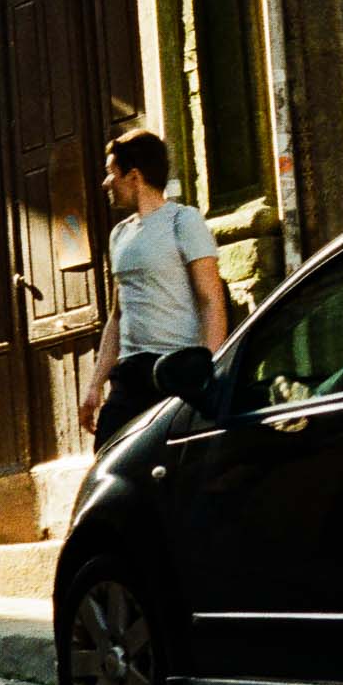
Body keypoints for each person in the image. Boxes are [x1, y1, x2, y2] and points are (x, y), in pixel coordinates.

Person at [81, 127, 229, 448]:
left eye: (111, 173)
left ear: (134, 176)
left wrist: (210, 372)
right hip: (131, 376)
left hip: (177, 370)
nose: (106, 182)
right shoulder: (119, 234)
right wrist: (94, 386)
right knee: (108, 454)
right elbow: (117, 317)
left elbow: (211, 300)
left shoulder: (183, 221)